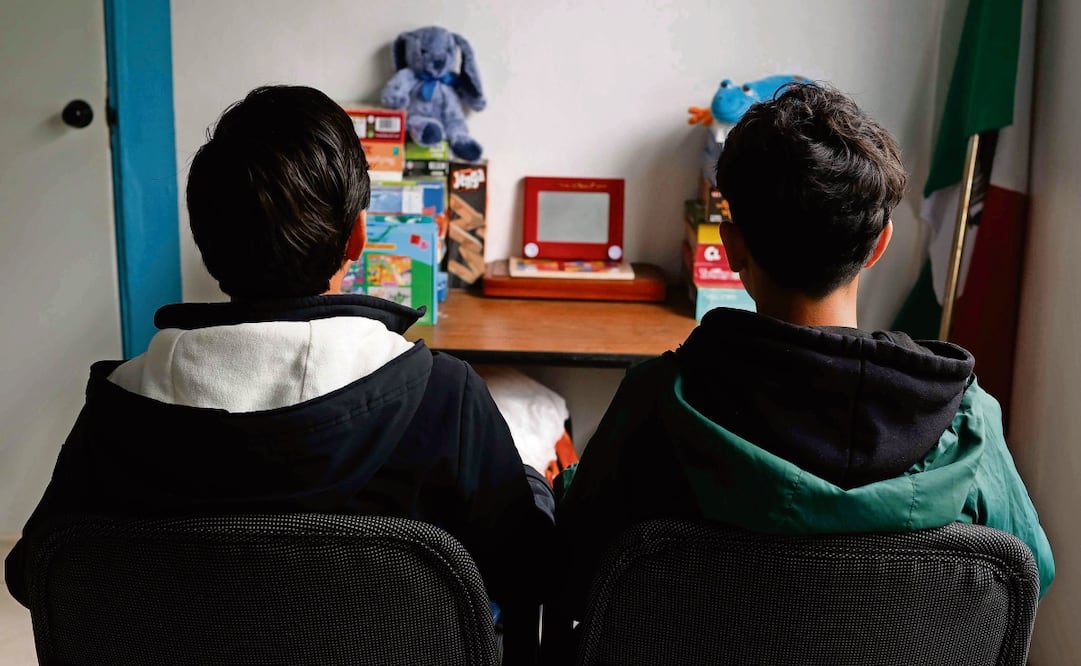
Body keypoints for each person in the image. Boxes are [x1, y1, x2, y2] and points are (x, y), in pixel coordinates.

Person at [5, 86, 554, 623]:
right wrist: (534, 487)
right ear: (358, 237)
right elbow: (530, 571)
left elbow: (34, 573)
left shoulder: (120, 404)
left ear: (206, 242)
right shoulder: (443, 396)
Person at [555, 83, 1054, 624]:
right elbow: (1028, 578)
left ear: (731, 246)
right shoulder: (966, 419)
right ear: (879, 245)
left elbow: (570, 573)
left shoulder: (657, 401)